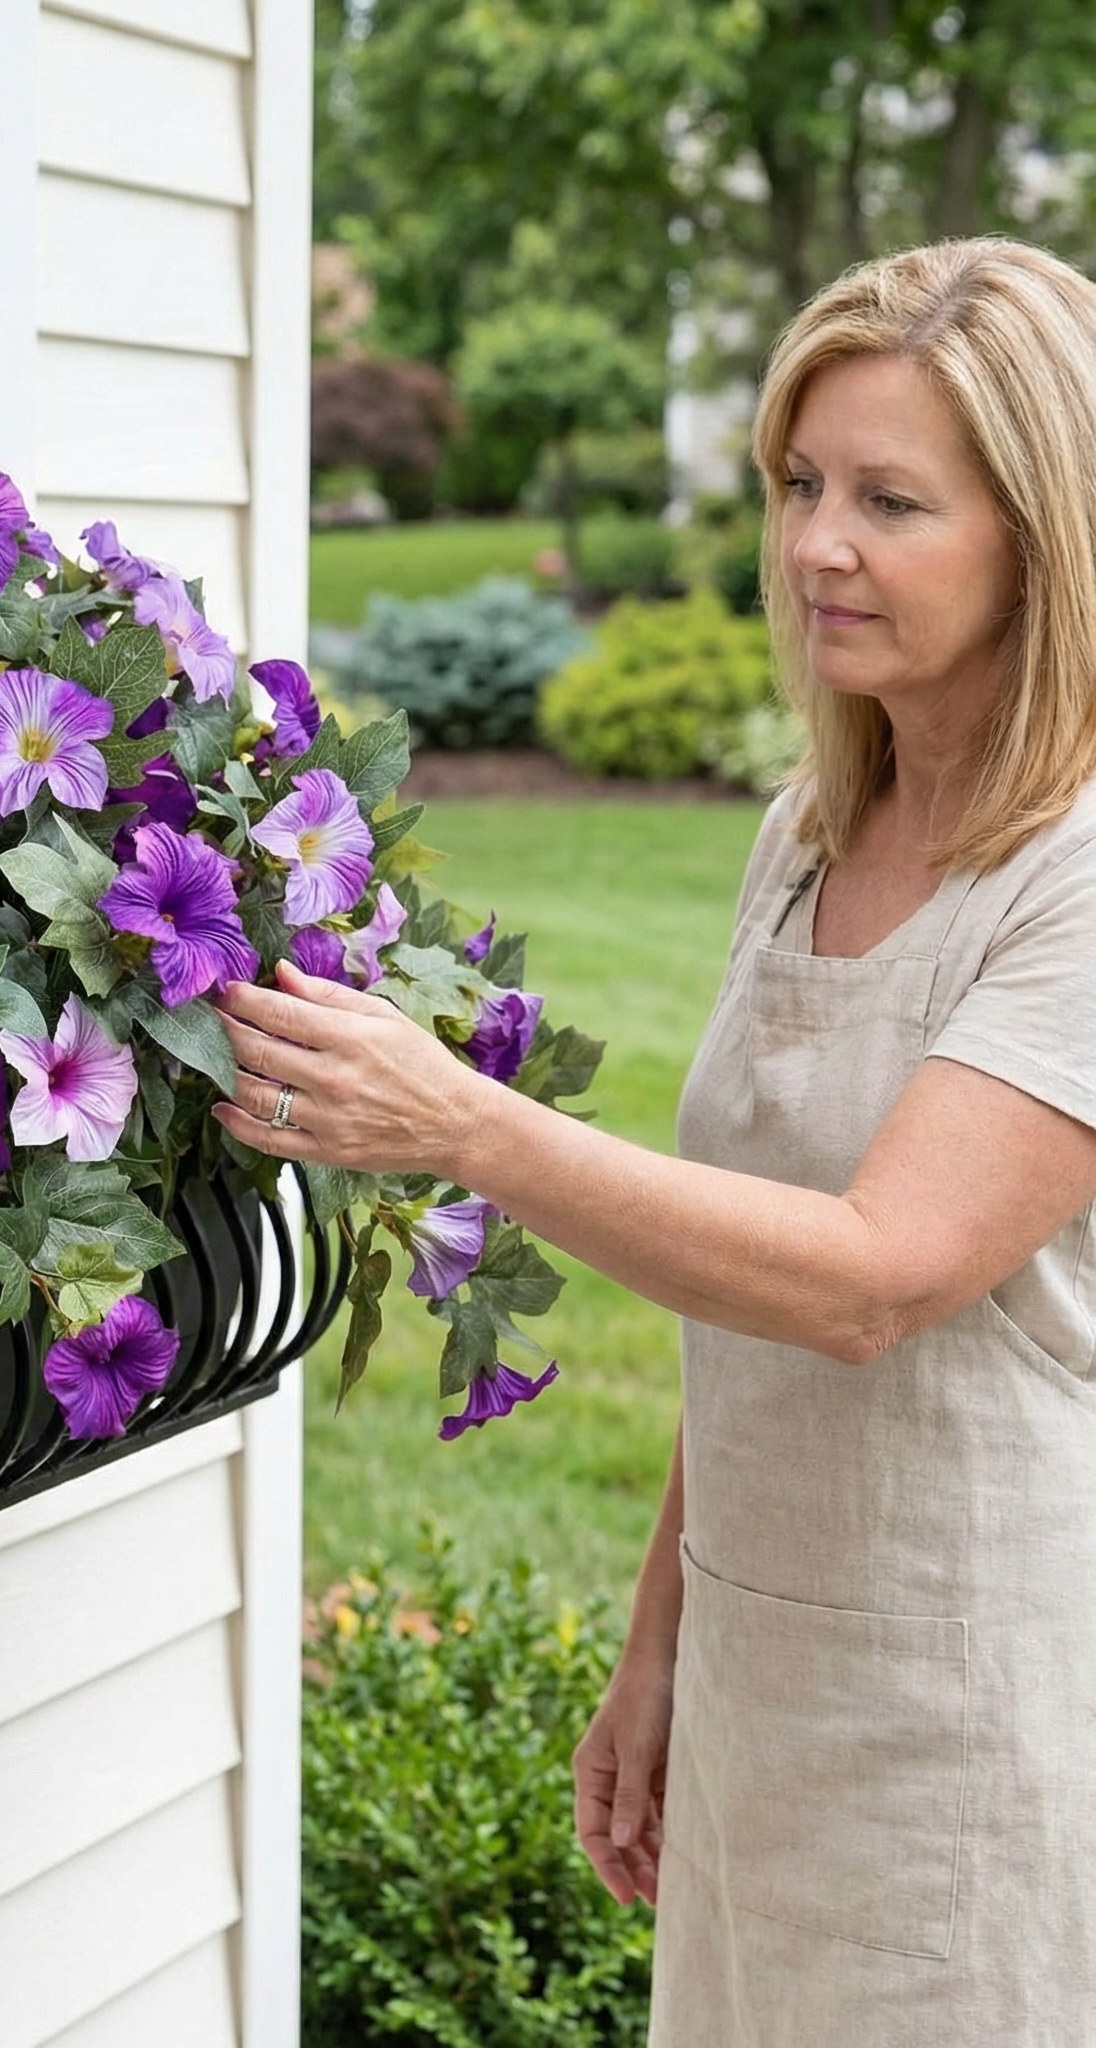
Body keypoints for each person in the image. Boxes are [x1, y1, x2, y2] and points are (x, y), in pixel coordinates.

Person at [215, 237, 1096, 2042]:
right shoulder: (814, 829)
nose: (814, 544)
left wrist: (461, 1126)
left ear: (1045, 535)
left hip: (988, 1706)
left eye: (890, 501)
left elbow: (869, 1281)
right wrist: (661, 1643)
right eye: (799, 484)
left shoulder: (1077, 873)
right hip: (775, 1665)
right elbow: (750, 1264)